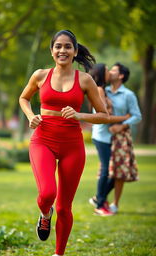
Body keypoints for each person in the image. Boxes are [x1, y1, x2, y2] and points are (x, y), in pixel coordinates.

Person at [19, 29, 111, 256]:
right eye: (58, 46)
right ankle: (44, 214)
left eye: (67, 46)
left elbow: (103, 115)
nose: (62, 50)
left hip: (72, 145)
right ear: (52, 52)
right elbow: (23, 98)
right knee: (48, 194)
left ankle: (58, 253)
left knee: (64, 206)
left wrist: (80, 116)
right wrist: (32, 117)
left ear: (75, 51)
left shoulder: (85, 80)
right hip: (43, 140)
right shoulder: (40, 75)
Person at [90, 62, 142, 215]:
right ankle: (100, 202)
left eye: (113, 70)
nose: (111, 72)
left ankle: (100, 199)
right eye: (108, 70)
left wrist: (123, 124)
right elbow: (104, 116)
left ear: (121, 76)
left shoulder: (128, 95)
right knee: (106, 170)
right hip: (102, 135)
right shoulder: (102, 90)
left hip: (117, 137)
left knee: (116, 171)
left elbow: (137, 116)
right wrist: (124, 117)